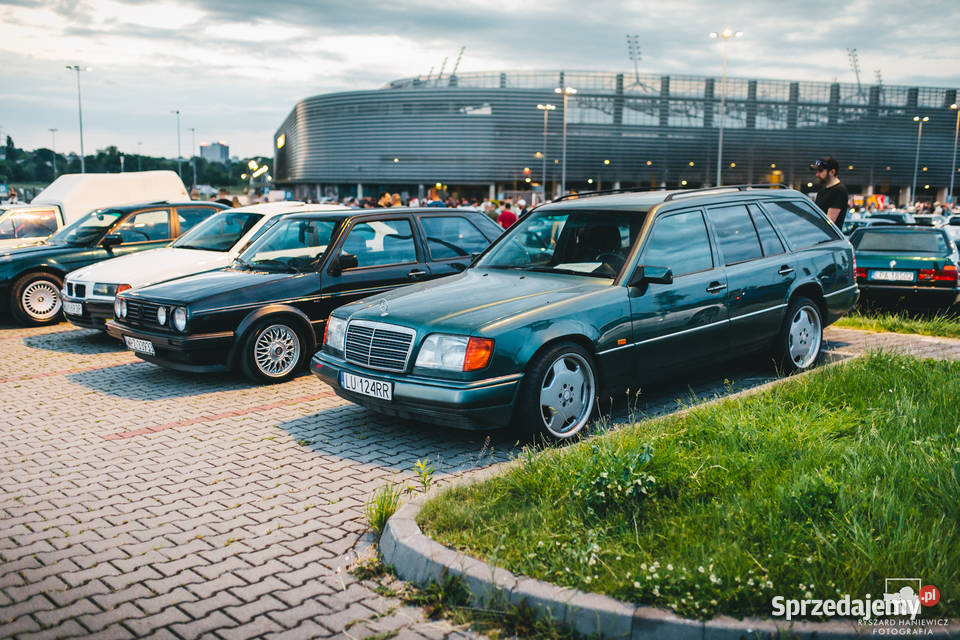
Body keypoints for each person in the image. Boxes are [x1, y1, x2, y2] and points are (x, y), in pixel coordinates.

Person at [810, 157, 848, 228]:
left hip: (827, 234)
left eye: (820, 171)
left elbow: (829, 222)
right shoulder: (823, 189)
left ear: (832, 172)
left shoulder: (838, 190)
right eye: (817, 171)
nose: (817, 174)